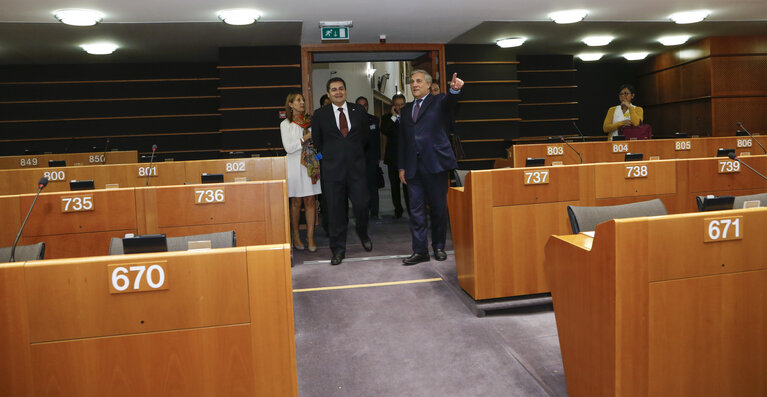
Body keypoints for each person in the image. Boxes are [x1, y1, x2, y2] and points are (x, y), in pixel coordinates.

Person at [398, 70, 463, 265]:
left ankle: (439, 247)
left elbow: (452, 101)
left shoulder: (439, 101)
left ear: (428, 85)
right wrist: (401, 167)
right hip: (413, 167)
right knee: (416, 210)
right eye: (412, 82)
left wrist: (455, 90)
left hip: (436, 165)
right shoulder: (406, 109)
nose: (414, 85)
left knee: (438, 209)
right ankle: (420, 251)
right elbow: (402, 140)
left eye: (418, 81)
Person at [312, 77, 373, 265]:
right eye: (333, 89)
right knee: (336, 213)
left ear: (346, 91)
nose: (338, 92)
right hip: (332, 173)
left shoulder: (359, 111)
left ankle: (363, 233)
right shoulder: (319, 115)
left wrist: (352, 155)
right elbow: (318, 142)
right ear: (328, 94)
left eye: (341, 88)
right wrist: (329, 159)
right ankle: (338, 250)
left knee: (362, 206)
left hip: (357, 171)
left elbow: (365, 139)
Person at [280, 93, 321, 252]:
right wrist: (306, 138)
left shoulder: (310, 122)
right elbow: (289, 148)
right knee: (296, 201)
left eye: (303, 100)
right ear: (290, 104)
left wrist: (318, 156)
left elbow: (319, 143)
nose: (302, 102)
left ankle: (310, 237)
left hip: (310, 165)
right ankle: (296, 235)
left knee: (311, 201)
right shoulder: (286, 124)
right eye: (298, 100)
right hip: (294, 165)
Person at [380, 93, 409, 218]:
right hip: (393, 158)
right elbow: (385, 131)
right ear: (393, 106)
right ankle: (398, 209)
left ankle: (411, 209)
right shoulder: (387, 118)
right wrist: (393, 116)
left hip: (407, 158)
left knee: (408, 186)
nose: (399, 107)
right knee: (394, 186)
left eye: (402, 104)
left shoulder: (410, 116)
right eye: (397, 105)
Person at [356, 96, 382, 219]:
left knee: (372, 187)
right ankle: (361, 213)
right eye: (360, 105)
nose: (363, 107)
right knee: (359, 188)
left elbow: (377, 140)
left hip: (371, 159)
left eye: (365, 105)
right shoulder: (351, 120)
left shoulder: (374, 120)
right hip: (357, 160)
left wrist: (378, 157)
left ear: (368, 106)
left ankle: (375, 213)